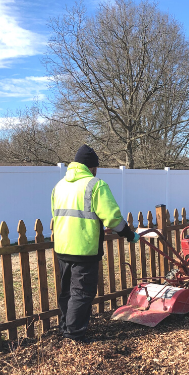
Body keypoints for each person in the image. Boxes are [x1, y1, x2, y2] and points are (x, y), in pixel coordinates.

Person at [51, 145, 139, 343]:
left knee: (66, 292)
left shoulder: (59, 186)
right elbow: (113, 218)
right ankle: (74, 336)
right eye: (96, 167)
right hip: (84, 249)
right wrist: (129, 234)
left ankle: (66, 328)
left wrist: (97, 226)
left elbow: (62, 217)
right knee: (81, 293)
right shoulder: (95, 185)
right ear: (91, 167)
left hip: (62, 247)